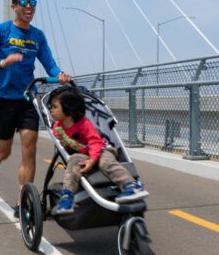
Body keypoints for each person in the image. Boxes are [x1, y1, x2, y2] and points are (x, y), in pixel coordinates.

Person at [0, 0, 71, 218]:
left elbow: (49, 63)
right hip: (4, 99)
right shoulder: (2, 31)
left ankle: (22, 199)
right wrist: (1, 63)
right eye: (24, 3)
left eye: (33, 3)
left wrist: (59, 75)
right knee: (4, 151)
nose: (29, 7)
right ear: (14, 6)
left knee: (30, 147)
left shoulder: (38, 36)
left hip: (28, 98)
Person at [47, 85, 146, 213]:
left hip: (101, 150)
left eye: (54, 107)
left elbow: (95, 142)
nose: (51, 110)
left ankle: (130, 185)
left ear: (69, 110)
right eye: (50, 106)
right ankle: (67, 195)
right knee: (73, 161)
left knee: (106, 162)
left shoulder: (84, 123)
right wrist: (65, 143)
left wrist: (93, 160)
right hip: (81, 154)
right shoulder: (57, 127)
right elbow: (66, 148)